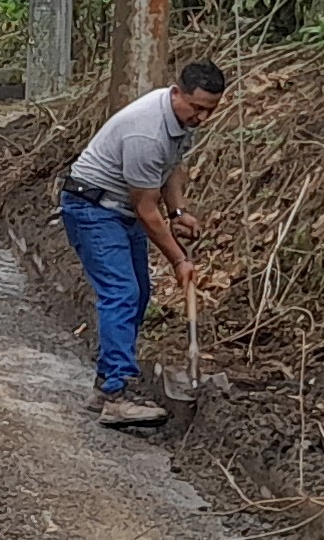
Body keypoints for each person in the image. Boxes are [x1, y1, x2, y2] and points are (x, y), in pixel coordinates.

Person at [58, 59, 228, 427]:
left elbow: (170, 168)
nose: (201, 117)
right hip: (92, 208)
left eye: (210, 110)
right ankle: (117, 395)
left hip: (119, 208)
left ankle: (106, 385)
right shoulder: (146, 132)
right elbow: (146, 210)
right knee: (121, 293)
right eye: (196, 108)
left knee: (138, 293)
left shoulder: (181, 120)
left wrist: (178, 212)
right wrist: (179, 260)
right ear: (177, 92)